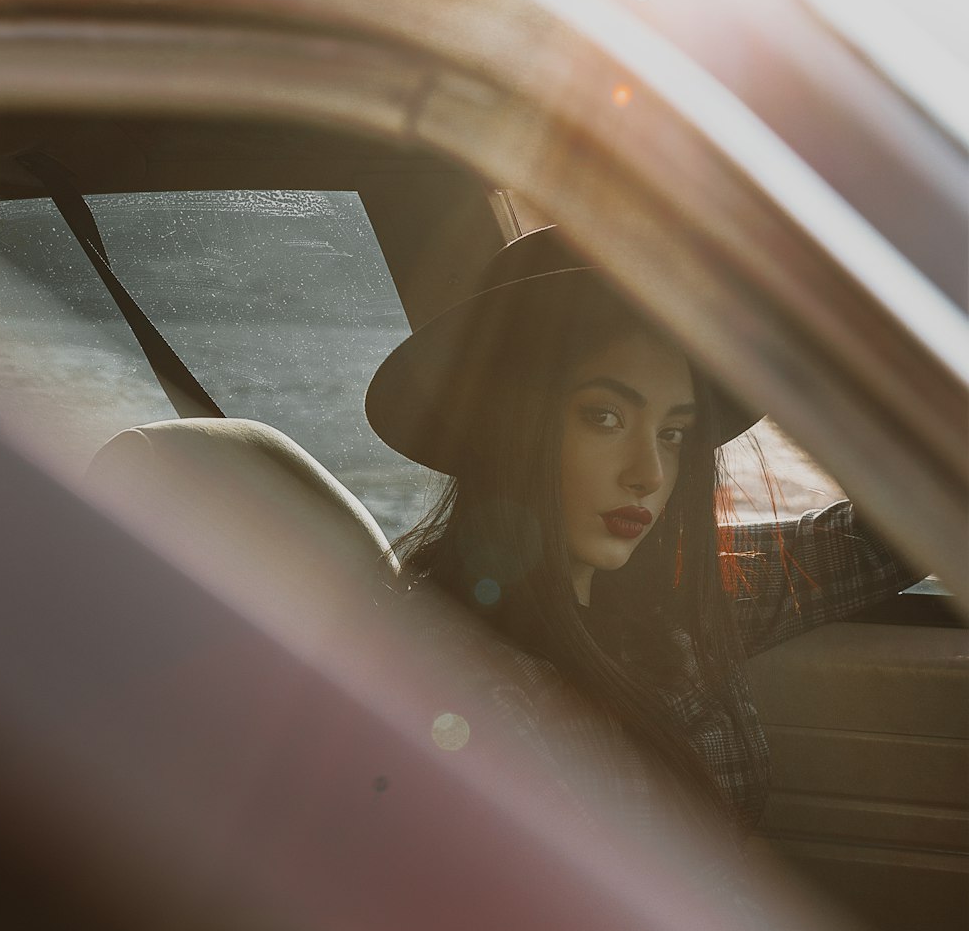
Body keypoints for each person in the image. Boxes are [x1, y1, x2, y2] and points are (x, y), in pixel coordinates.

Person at [365, 228, 916, 894]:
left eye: (673, 433)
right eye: (603, 417)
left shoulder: (663, 600)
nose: (649, 473)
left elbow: (885, 542)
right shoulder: (466, 688)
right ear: (511, 425)